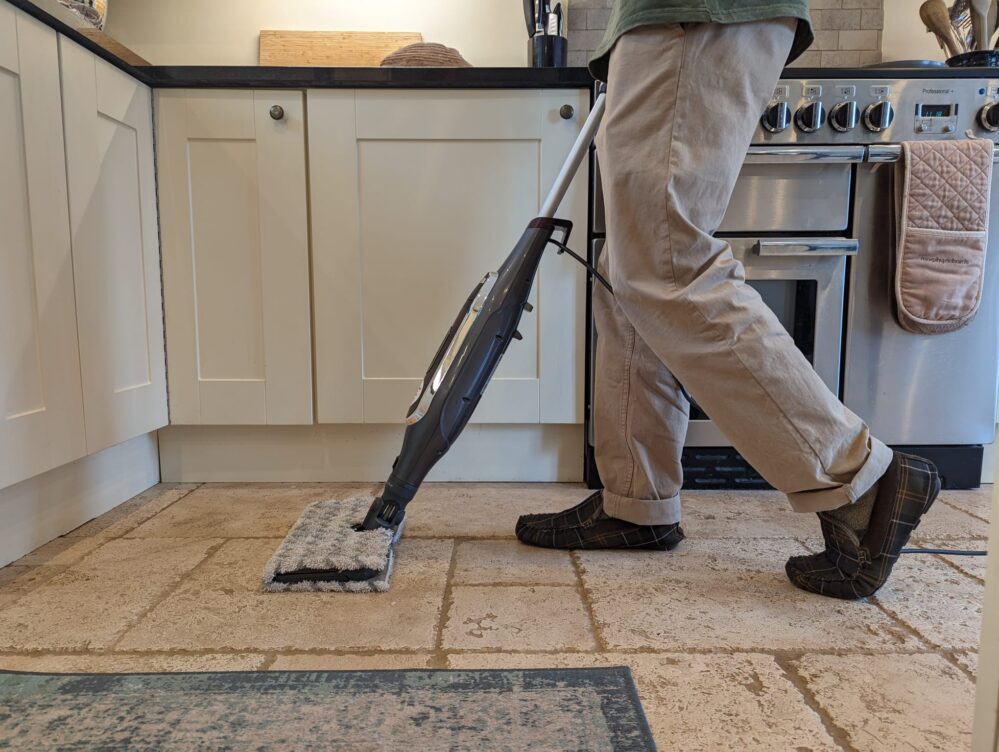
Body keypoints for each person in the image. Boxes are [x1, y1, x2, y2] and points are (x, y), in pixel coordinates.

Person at [515, 4, 942, 601]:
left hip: (694, 13)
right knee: (636, 268)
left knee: (667, 264)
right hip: (673, 23)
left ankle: (860, 482)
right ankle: (637, 502)